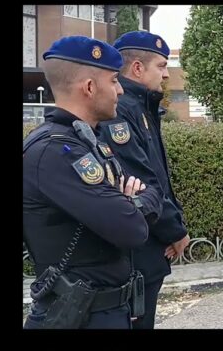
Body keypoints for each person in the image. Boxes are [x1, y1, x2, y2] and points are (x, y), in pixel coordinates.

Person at [23, 36, 163, 329]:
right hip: (77, 317)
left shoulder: (87, 142)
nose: (120, 89)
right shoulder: (56, 152)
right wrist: (132, 203)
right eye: (113, 81)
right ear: (89, 87)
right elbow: (133, 229)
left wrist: (131, 203)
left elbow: (149, 193)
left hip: (103, 311)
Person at [96, 31, 190, 329]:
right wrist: (175, 231)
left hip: (147, 245)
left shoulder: (140, 107)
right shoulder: (121, 110)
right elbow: (140, 179)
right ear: (137, 68)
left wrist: (176, 225)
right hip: (137, 249)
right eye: (161, 66)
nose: (165, 75)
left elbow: (158, 175)